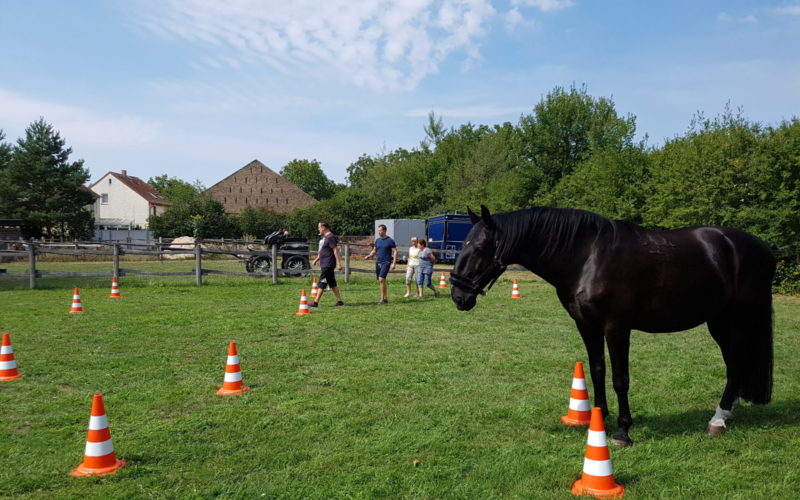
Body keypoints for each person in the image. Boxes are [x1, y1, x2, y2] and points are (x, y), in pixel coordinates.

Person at [310, 221, 344, 307]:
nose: (318, 229)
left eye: (319, 227)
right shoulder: (327, 237)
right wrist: (317, 259)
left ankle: (315, 302)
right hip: (325, 263)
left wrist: (338, 263)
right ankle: (339, 301)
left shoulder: (330, 237)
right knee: (332, 283)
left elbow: (335, 250)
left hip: (328, 264)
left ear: (323, 227)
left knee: (322, 282)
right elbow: (323, 251)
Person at [365, 224, 397, 304]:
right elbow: (375, 250)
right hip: (378, 262)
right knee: (382, 280)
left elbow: (395, 251)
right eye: (378, 230)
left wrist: (394, 263)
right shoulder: (377, 240)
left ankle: (382, 299)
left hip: (386, 262)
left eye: (380, 230)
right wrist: (369, 255)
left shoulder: (390, 240)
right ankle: (385, 298)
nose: (379, 232)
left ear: (385, 230)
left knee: (381, 279)